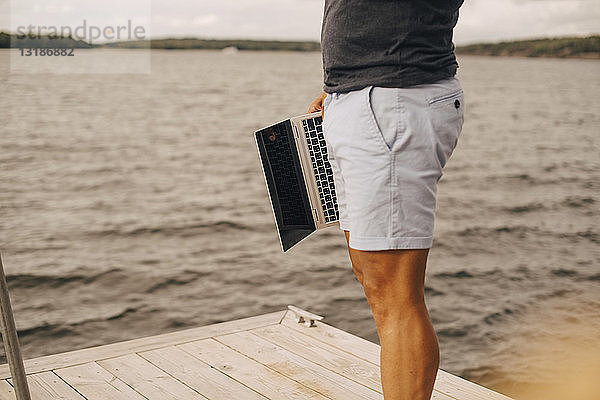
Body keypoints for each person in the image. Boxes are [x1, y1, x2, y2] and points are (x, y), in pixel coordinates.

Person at [308, 1, 465, 400]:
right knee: (372, 278)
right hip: (357, 98)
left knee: (395, 292)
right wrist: (337, 89)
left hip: (394, 99)